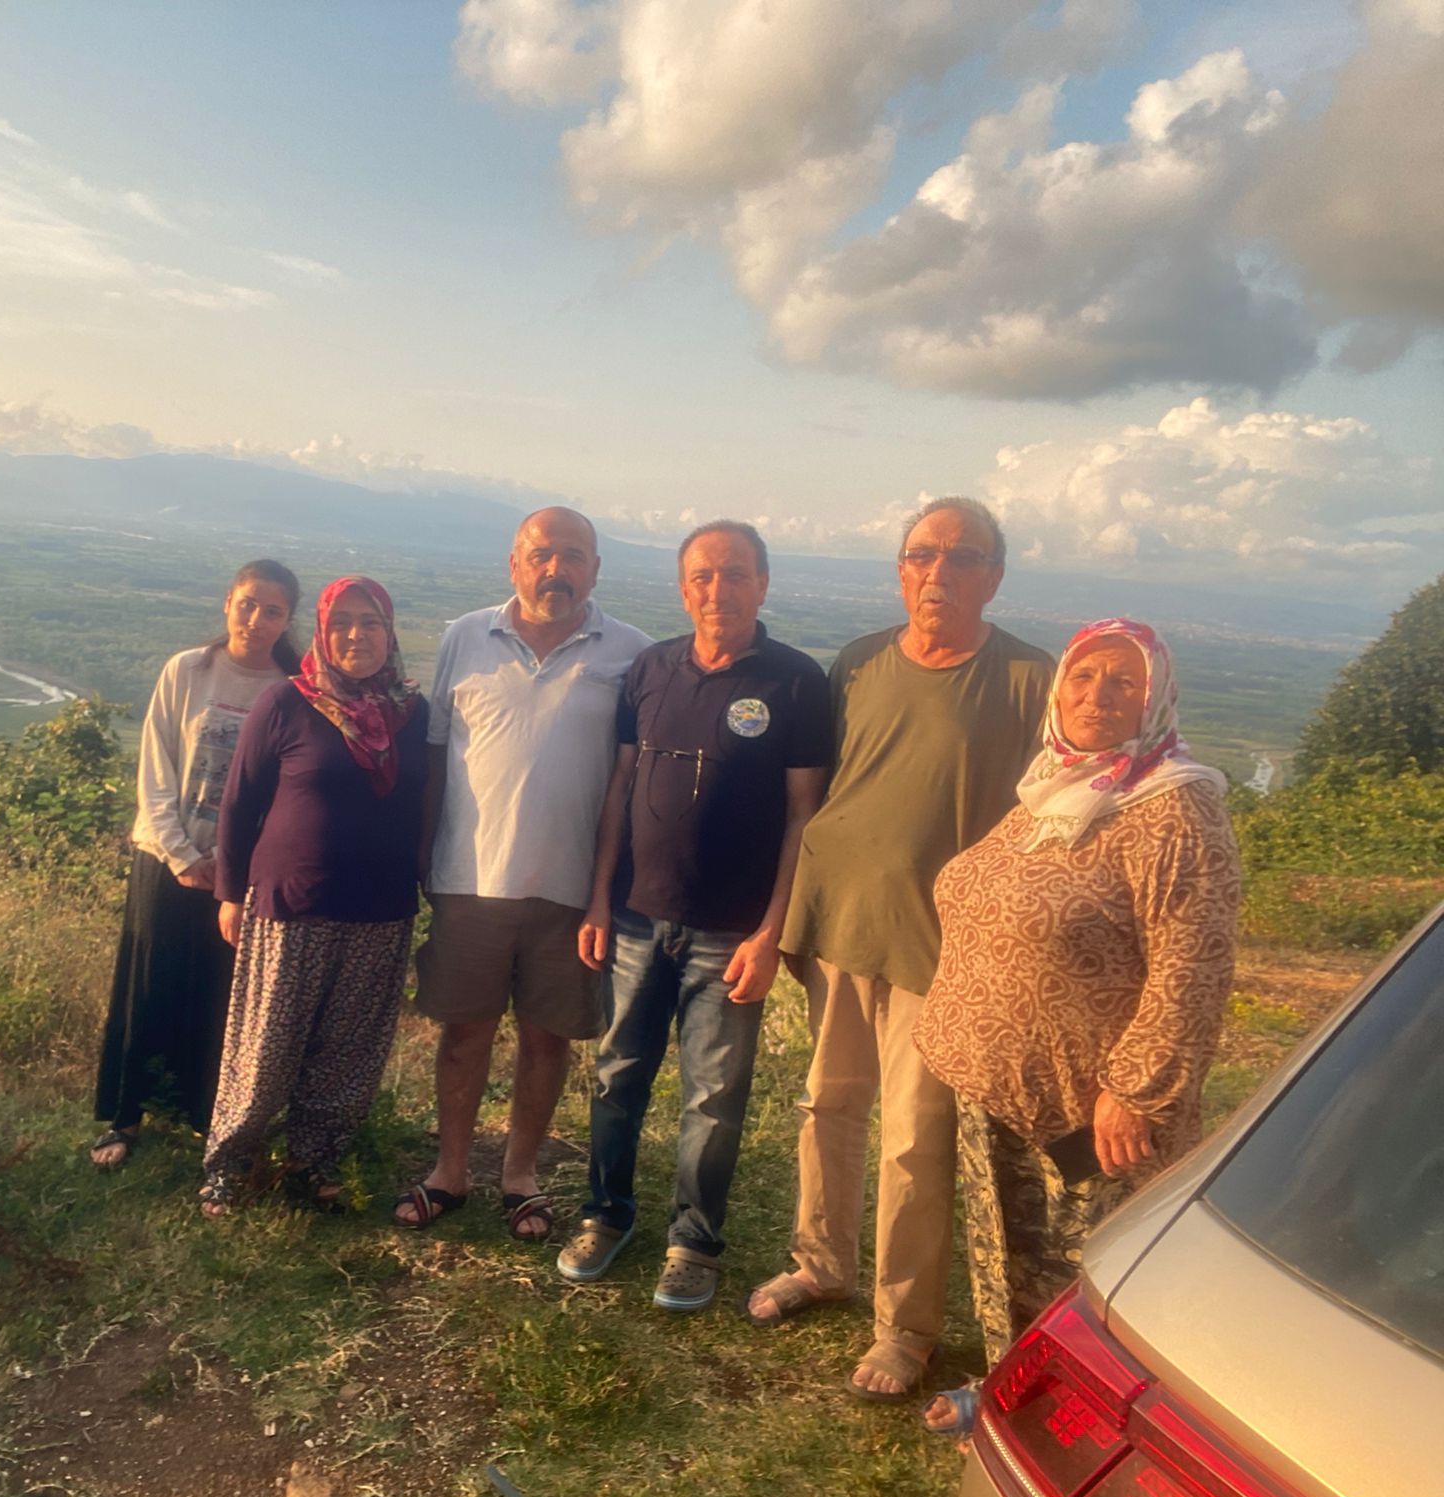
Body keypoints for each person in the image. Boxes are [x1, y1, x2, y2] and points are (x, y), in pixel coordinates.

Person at [751, 496, 1054, 1404]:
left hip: (943, 947)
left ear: (994, 576)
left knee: (915, 1139)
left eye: (963, 557)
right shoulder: (859, 662)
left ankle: (906, 1327)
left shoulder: (1028, 678)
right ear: (900, 570)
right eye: (923, 554)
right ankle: (819, 1263)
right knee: (827, 1104)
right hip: (840, 920)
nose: (939, 572)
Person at [915, 618, 1239, 1437]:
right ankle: (1010, 1396)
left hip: (1091, 1108)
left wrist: (1136, 1091)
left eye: (1124, 681)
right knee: (1006, 1259)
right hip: (998, 1084)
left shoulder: (1176, 807)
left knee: (1082, 1274)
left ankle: (1079, 1425)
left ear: (1155, 698)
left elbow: (1194, 967)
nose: (1098, 696)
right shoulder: (1054, 788)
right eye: (1083, 676)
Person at [560, 522, 830, 1310]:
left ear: (763, 584)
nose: (720, 590)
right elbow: (619, 789)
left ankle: (694, 1243)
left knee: (713, 1097)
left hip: (732, 931)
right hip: (635, 919)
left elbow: (804, 817)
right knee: (617, 1074)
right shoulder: (651, 669)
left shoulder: (796, 683)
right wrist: (599, 896)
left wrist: (771, 932)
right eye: (704, 576)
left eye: (736, 574)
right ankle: (605, 1214)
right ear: (684, 589)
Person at [398, 507, 650, 1239]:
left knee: (548, 1040)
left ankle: (520, 1175)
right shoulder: (464, 636)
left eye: (572, 556)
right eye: (541, 555)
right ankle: (450, 1171)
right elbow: (436, 759)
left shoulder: (633, 653)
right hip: (469, 880)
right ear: (515, 564)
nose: (555, 569)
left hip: (571, 890)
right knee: (463, 1034)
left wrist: (606, 893)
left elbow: (627, 784)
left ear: (595, 569)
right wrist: (425, 862)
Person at [200, 576, 429, 1215]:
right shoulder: (287, 702)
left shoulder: (414, 714)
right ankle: (229, 1165)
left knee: (349, 1053)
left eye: (371, 622)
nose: (357, 635)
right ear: (323, 633)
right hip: (290, 904)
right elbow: (239, 803)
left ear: (389, 632)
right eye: (342, 623)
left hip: (381, 907)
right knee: (265, 1049)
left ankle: (312, 1165)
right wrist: (230, 894)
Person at [91, 560, 301, 1167]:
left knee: (220, 993)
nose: (256, 620)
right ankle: (126, 1116)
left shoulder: (291, 689)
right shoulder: (187, 670)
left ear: (288, 620)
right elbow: (155, 768)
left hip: (239, 872)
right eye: (248, 604)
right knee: (148, 983)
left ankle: (204, 1113)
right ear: (228, 602)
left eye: (272, 611)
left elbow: (285, 790)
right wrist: (182, 853)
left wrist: (230, 862)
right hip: (165, 857)